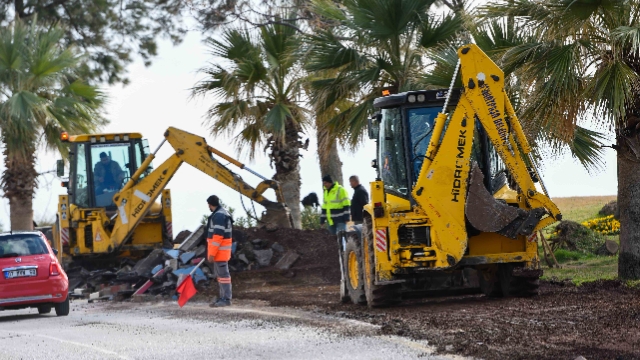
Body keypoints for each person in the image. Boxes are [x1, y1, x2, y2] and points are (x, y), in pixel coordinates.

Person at [206, 195, 234, 307]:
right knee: (222, 277)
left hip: (219, 252)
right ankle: (223, 297)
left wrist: (212, 253)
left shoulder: (218, 215)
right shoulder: (223, 213)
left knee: (224, 276)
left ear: (210, 204)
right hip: (221, 251)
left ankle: (226, 299)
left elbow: (217, 237)